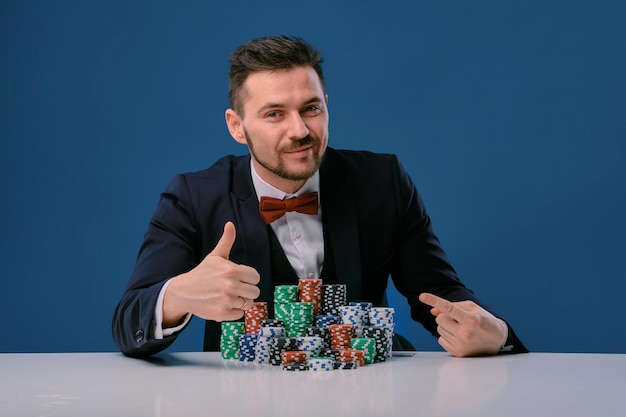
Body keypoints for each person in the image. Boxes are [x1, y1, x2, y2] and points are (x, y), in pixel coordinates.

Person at [112, 35, 527, 358]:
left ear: (327, 105)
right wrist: (179, 295)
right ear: (236, 126)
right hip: (241, 398)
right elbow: (128, 320)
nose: (299, 131)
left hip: (370, 390)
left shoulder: (383, 180)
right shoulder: (193, 195)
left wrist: (499, 335)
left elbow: (440, 295)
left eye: (310, 108)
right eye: (274, 114)